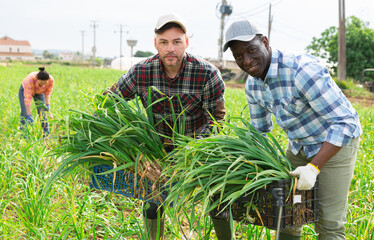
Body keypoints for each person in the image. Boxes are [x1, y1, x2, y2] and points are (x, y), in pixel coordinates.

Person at [223, 19, 362, 240]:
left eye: (251, 50)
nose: (246, 61)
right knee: (287, 218)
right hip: (298, 147)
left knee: (328, 224)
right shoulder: (253, 85)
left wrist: (314, 168)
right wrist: (241, 166)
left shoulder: (301, 71)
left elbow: (346, 122)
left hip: (335, 144)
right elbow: (259, 132)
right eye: (239, 56)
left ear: (265, 42)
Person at [105, 13, 226, 240]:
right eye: (164, 42)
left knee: (219, 199)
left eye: (176, 42)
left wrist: (189, 155)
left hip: (199, 150)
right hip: (157, 152)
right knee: (152, 203)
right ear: (156, 44)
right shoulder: (141, 72)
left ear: (186, 43)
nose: (170, 48)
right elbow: (108, 102)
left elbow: (216, 121)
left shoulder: (207, 73)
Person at [19, 67, 54, 136]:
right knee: (24, 112)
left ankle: (46, 134)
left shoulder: (51, 80)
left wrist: (47, 105)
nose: (43, 85)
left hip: (39, 92)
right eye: (41, 83)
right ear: (37, 80)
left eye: (45, 83)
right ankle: (23, 134)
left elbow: (47, 93)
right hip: (25, 91)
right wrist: (29, 115)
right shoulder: (29, 80)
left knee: (43, 112)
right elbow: (27, 99)